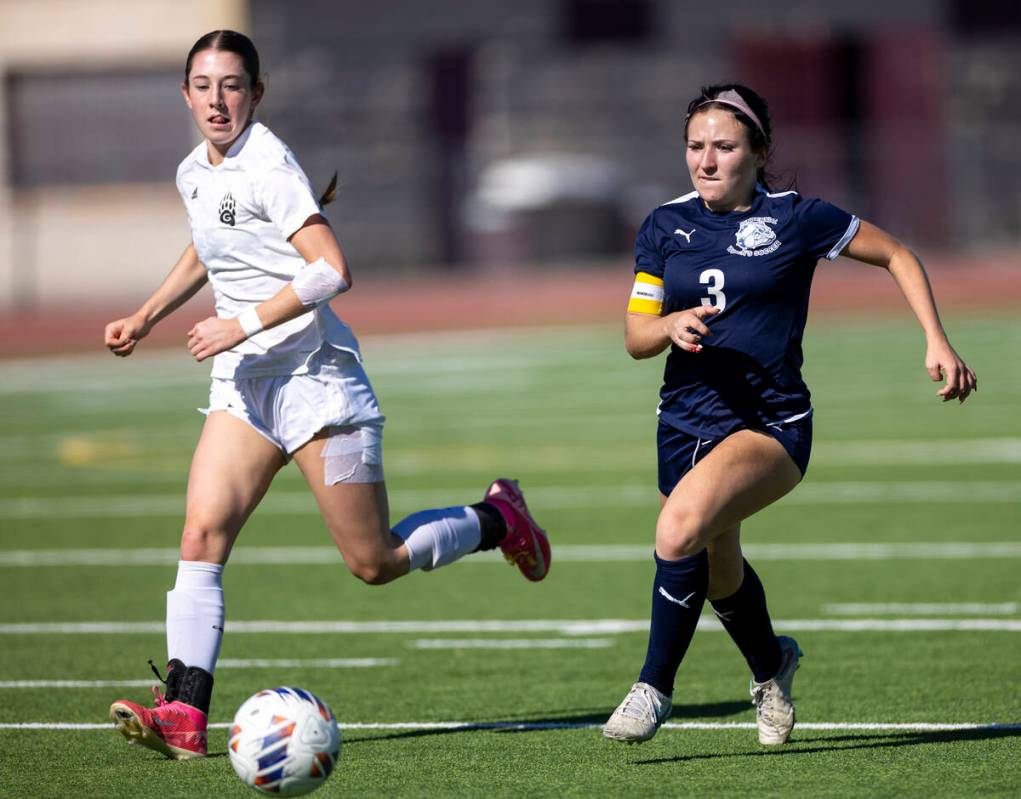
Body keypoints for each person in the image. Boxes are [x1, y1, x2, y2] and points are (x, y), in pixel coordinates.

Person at [106, 30, 550, 761]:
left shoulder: (270, 164)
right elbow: (207, 240)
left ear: (256, 92)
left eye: (232, 85)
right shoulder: (195, 169)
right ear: (185, 94)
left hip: (318, 385)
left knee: (372, 560)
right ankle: (185, 709)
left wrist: (235, 323)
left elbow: (331, 269)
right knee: (202, 535)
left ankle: (498, 517)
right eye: (203, 85)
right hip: (247, 386)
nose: (217, 100)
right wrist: (149, 314)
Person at [602, 83, 976, 747]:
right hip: (682, 423)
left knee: (677, 526)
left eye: (723, 146)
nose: (705, 160)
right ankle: (770, 664)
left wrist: (935, 339)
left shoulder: (796, 218)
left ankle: (652, 686)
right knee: (717, 566)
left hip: (769, 425)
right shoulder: (663, 225)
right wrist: (668, 327)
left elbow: (897, 255)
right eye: (694, 146)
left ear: (758, 152)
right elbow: (634, 336)